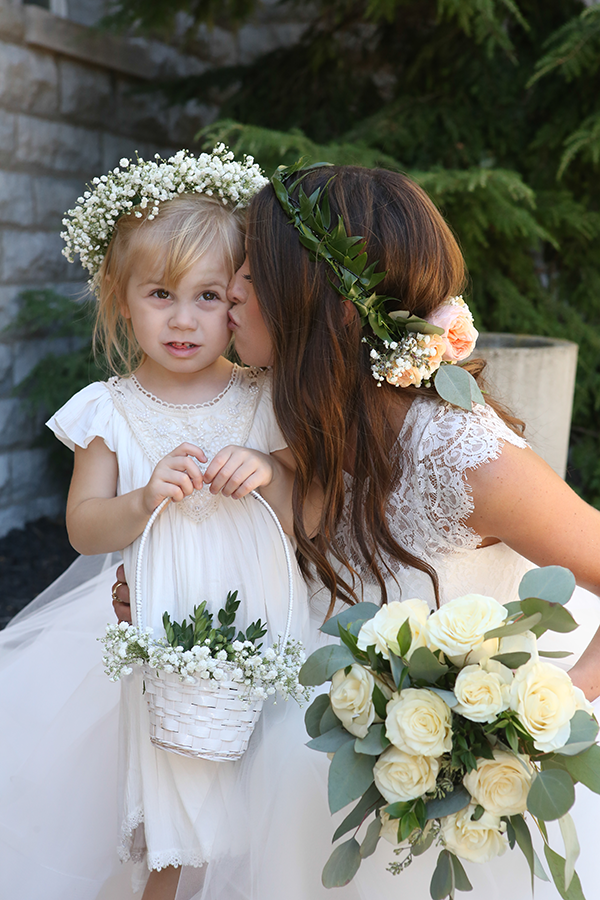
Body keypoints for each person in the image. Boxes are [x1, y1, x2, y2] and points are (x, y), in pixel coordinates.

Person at [163, 163, 600, 900]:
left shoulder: (469, 459)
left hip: (422, 781)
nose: (229, 287)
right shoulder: (296, 403)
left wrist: (533, 722)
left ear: (330, 308)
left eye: (254, 268)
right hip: (323, 711)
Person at [0, 148, 310, 900]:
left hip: (269, 619)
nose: (182, 318)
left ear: (239, 300)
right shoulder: (110, 409)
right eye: (161, 294)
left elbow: (308, 514)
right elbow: (83, 527)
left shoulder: (263, 395)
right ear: (121, 297)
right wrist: (140, 503)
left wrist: (269, 472)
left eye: (208, 297)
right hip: (162, 632)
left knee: (268, 785)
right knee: (176, 800)